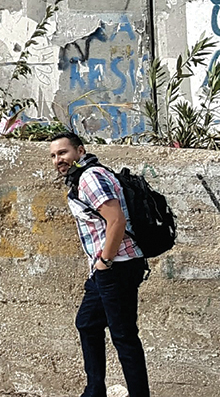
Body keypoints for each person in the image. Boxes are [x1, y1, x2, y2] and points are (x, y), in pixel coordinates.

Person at [50, 131, 150, 397]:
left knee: (124, 336)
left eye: (63, 153)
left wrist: (105, 261)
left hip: (117, 264)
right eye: (54, 155)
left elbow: (115, 220)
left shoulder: (90, 178)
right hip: (108, 267)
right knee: (87, 323)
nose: (58, 160)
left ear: (80, 152)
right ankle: (94, 390)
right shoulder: (84, 177)